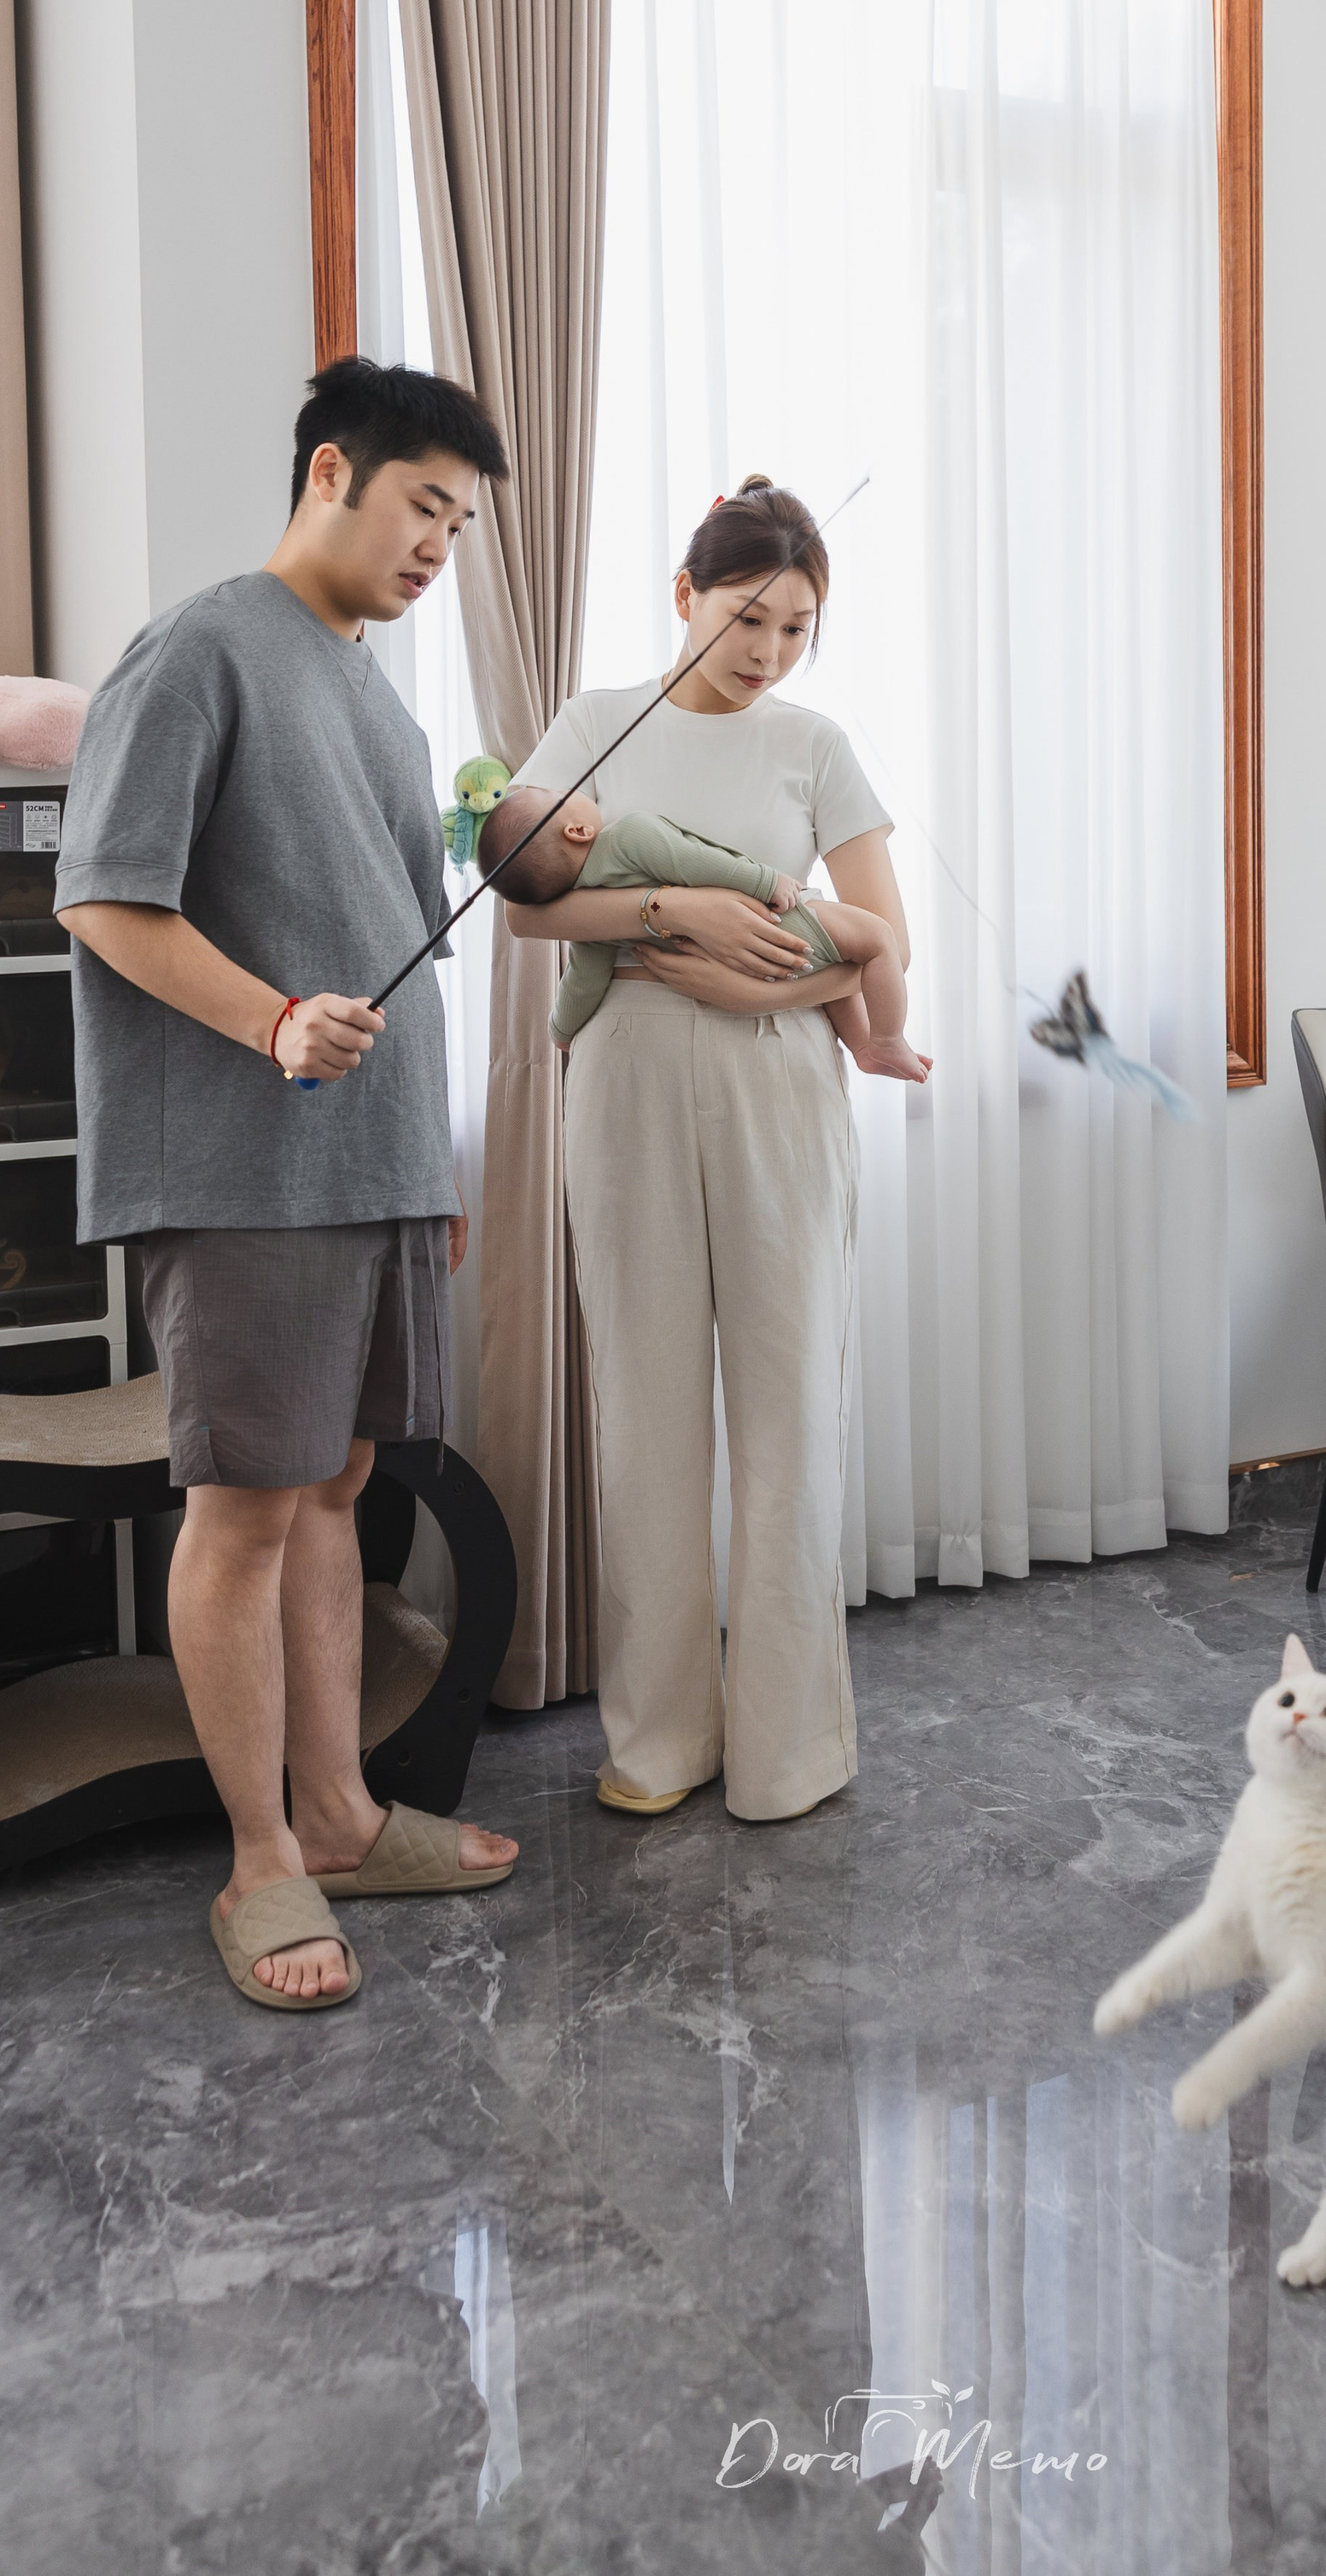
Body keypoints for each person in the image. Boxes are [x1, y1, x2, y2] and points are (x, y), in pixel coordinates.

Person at [55, 358, 522, 2011]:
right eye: (421, 509)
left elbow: (392, 945)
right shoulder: (195, 651)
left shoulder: (379, 698)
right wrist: (267, 1021)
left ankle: (337, 1809)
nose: (434, 551)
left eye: (457, 528)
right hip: (239, 1167)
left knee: (334, 1484)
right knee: (245, 1506)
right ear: (332, 470)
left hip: (372, 1168)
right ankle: (257, 1858)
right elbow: (104, 898)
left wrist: (426, 1163)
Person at [510, 477, 914, 1821]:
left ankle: (791, 1747)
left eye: (797, 628)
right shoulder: (588, 722)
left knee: (790, 1402)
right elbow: (528, 913)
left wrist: (755, 986)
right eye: (751, 618)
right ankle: (657, 1737)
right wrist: (679, 901)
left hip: (779, 1085)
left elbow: (881, 940)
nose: (769, 651)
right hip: (621, 1080)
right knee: (647, 1406)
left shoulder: (816, 744)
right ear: (686, 595)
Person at [476, 784, 931, 1083]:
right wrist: (765, 881)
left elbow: (584, 980)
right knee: (877, 941)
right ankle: (886, 1039)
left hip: (734, 968)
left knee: (835, 975)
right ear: (577, 830)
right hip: (776, 923)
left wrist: (560, 1029)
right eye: (561, 793)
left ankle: (860, 1046)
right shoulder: (629, 836)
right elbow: (699, 861)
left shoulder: (593, 923)